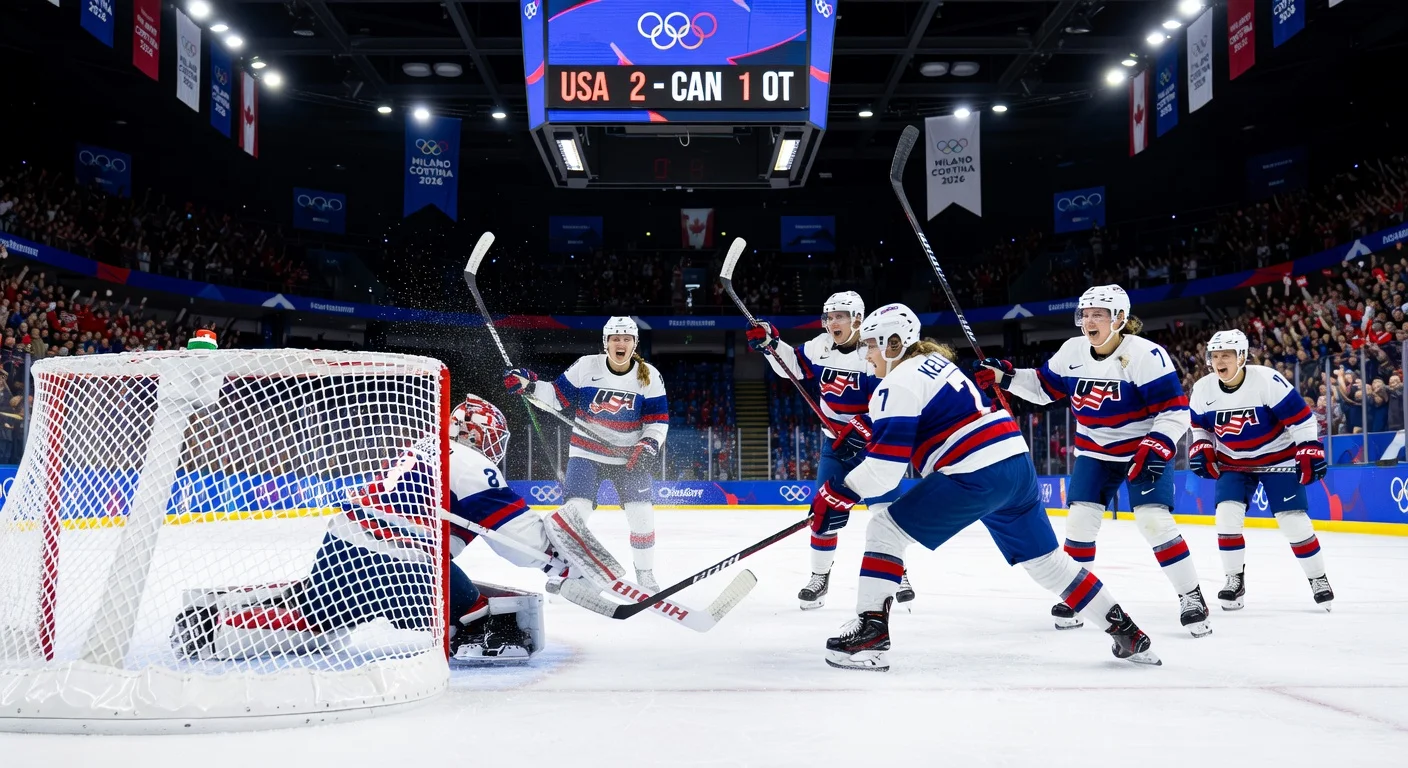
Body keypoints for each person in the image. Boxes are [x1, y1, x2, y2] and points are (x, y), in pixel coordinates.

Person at [812, 303, 1159, 672]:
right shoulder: (934, 362)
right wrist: (869, 423)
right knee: (1048, 564)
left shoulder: (894, 383)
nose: (866, 355)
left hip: (975, 471)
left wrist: (836, 495)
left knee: (884, 530)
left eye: (870, 345)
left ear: (893, 343)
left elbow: (884, 473)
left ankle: (871, 634)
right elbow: (926, 407)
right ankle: (1125, 631)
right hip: (1014, 464)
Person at [172, 394, 624, 663]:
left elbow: (450, 530)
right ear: (477, 435)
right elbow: (518, 542)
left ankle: (215, 624)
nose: (495, 449)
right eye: (493, 439)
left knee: (315, 621)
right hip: (399, 565)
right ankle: (472, 634)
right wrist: (563, 562)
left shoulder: (425, 445)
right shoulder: (471, 462)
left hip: (341, 541)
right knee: (473, 614)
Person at [976, 285, 1210, 637]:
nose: (1088, 321)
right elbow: (1043, 387)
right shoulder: (1072, 350)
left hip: (1141, 448)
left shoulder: (1146, 355)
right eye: (1084, 314)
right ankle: (1078, 598)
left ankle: (1191, 596)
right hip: (1094, 452)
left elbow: (1174, 411)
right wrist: (1006, 377)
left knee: (1153, 521)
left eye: (1097, 314)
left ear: (1120, 318)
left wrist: (1158, 444)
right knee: (1080, 523)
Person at [746, 291, 909, 610]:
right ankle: (819, 578)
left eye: (840, 316)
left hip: (874, 443)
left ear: (858, 319)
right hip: (834, 445)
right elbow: (791, 366)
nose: (832, 322)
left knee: (885, 513)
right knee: (822, 512)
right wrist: (770, 344)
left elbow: (889, 398)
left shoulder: (874, 351)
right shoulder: (819, 346)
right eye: (829, 316)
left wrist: (863, 425)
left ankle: (898, 572)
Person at [504, 316, 669, 591]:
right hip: (586, 454)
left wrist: (648, 445)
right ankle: (565, 570)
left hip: (628, 458)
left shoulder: (649, 375)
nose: (620, 343)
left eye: (626, 339)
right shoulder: (586, 366)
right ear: (605, 343)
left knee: (641, 514)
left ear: (635, 344)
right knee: (575, 513)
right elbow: (556, 397)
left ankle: (645, 574)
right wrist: (529, 385)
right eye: (615, 338)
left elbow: (658, 420)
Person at [1188, 330, 1334, 611]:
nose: (1219, 361)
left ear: (1242, 357)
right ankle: (1234, 579)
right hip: (1233, 462)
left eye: (1226, 355)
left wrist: (1308, 446)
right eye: (1215, 356)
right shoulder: (1203, 389)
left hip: (1278, 458)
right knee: (1226, 516)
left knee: (1293, 521)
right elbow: (1199, 427)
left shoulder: (1267, 380)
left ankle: (1318, 578)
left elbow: (1302, 420)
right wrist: (1202, 445)